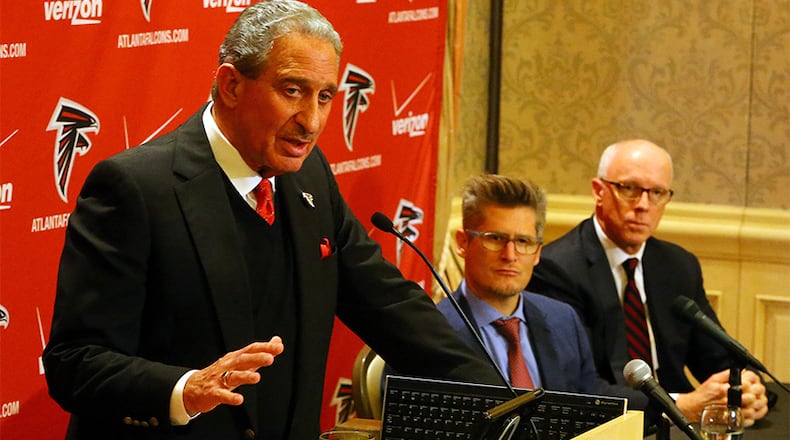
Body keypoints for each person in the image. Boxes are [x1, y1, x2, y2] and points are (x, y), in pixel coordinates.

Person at [41, 2, 502, 439]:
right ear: (232, 86)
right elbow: (75, 361)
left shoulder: (313, 179)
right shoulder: (136, 188)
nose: (312, 121)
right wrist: (185, 389)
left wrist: (506, 402)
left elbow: (392, 307)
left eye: (325, 97)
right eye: (293, 91)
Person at [527, 139, 770, 427]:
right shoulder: (557, 269)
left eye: (657, 192)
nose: (643, 205)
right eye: (629, 189)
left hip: (680, 426)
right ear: (599, 191)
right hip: (609, 426)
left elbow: (716, 357)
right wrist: (679, 405)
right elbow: (581, 388)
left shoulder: (678, 265)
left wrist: (745, 387)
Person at [436, 174, 642, 400]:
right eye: (495, 239)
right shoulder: (429, 333)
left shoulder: (564, 321)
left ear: (537, 253)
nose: (510, 255)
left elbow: (589, 401)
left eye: (523, 242)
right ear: (463, 243)